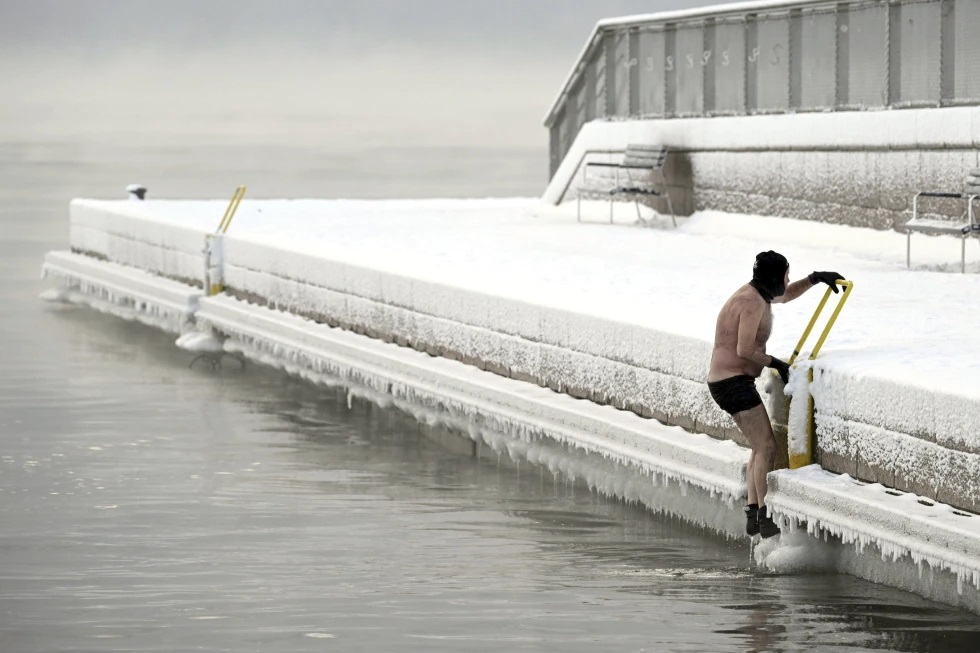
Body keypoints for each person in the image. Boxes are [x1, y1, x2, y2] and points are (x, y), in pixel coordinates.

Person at [707, 251, 842, 538]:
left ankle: (754, 514)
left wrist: (816, 279)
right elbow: (744, 350)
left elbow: (786, 295)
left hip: (733, 381)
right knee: (767, 447)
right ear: (773, 277)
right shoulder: (751, 302)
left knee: (760, 447)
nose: (788, 280)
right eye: (785, 275)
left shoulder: (760, 294)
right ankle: (763, 515)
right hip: (731, 383)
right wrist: (776, 363)